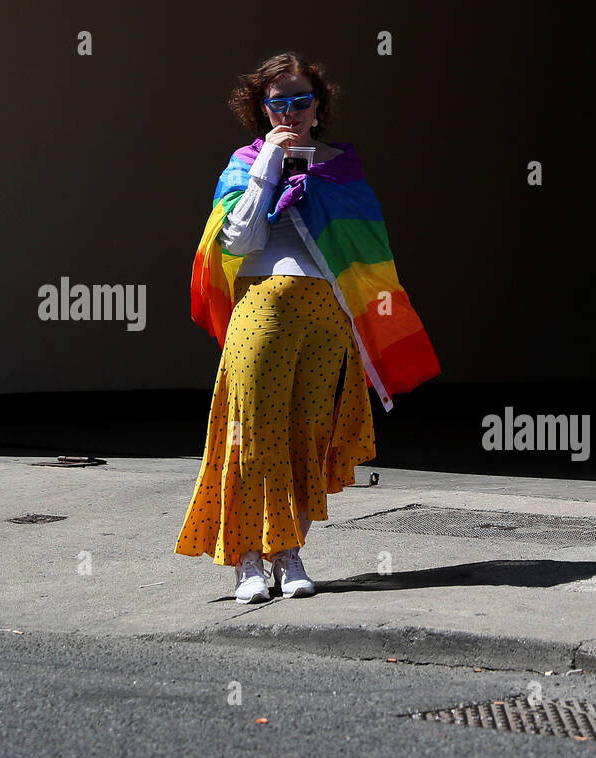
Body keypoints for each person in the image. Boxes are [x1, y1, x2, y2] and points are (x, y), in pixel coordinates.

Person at [175, 52, 440, 603]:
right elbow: (239, 240)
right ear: (261, 109)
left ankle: (288, 552)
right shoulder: (243, 161)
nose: (290, 113)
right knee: (250, 435)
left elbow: (364, 254)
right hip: (262, 312)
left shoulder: (341, 165)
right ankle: (249, 560)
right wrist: (268, 168)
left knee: (307, 439)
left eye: (301, 101)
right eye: (278, 103)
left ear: (318, 107)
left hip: (326, 318)